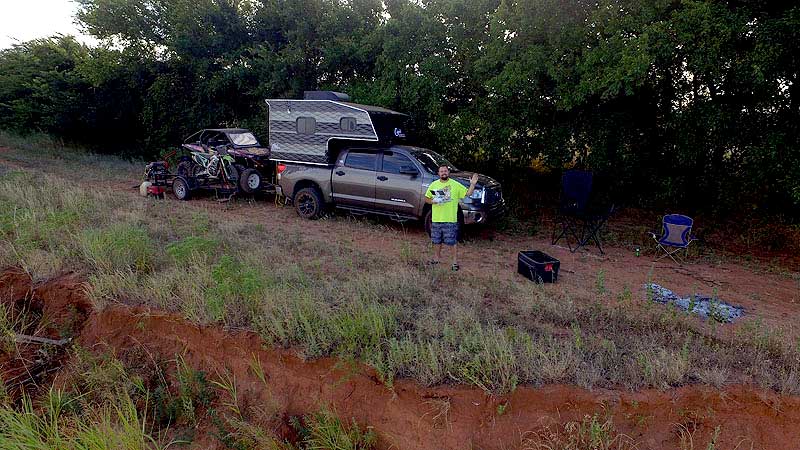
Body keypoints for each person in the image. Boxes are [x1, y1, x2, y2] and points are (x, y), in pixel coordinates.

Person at [425, 165, 479, 271]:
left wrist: (472, 184)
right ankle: (436, 259)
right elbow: (427, 199)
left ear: (448, 172)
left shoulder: (455, 185)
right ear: (438, 174)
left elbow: (468, 193)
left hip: (450, 219)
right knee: (436, 241)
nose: (443, 173)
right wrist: (433, 201)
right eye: (441, 171)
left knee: (452, 242)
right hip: (436, 219)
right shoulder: (433, 185)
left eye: (445, 171)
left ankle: (454, 262)